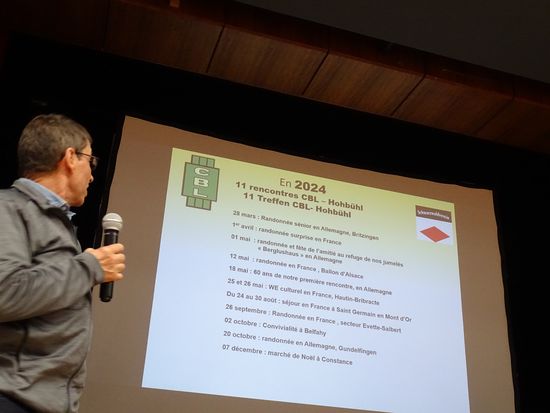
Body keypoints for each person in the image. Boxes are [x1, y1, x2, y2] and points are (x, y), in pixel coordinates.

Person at [0, 114, 126, 413]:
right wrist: (90, 267)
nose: (92, 176)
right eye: (90, 161)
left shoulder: (56, 221)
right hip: (12, 398)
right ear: (70, 157)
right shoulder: (8, 208)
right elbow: (5, 291)